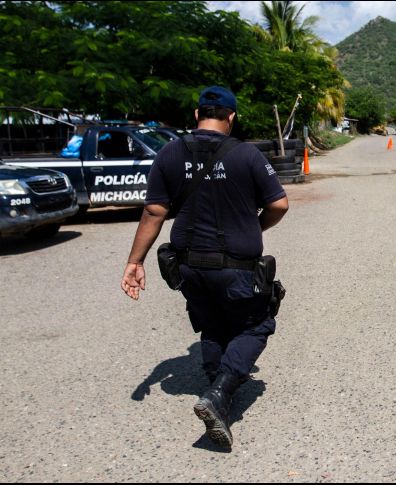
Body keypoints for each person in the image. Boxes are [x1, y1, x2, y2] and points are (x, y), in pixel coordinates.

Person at [120, 86, 289, 448]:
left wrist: (134, 262)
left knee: (212, 326)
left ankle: (216, 392)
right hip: (236, 265)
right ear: (231, 117)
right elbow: (279, 204)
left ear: (197, 115)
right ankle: (220, 393)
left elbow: (153, 211)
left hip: (189, 265)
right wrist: (254, 227)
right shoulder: (247, 154)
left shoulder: (169, 152)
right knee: (257, 324)